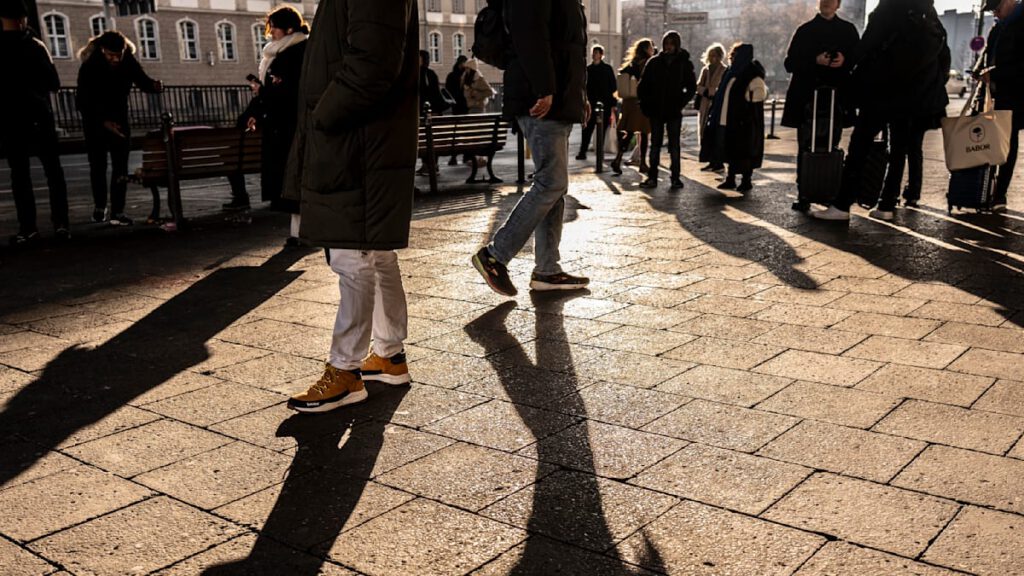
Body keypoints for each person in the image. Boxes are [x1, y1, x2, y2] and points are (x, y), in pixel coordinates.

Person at [283, 0, 418, 412]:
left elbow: (372, 64)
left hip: (355, 140)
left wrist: (323, 116)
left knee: (351, 254)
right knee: (375, 254)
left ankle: (345, 370)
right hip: (365, 138)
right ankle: (389, 356)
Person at [471, 0, 590, 296]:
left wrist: (580, 95)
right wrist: (544, 87)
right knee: (552, 182)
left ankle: (547, 270)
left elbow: (568, 49)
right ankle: (495, 256)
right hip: (541, 98)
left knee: (554, 186)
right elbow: (530, 36)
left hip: (559, 96)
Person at [812, 0, 948, 222]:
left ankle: (842, 205)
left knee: (860, 146)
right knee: (899, 150)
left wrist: (847, 67)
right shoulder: (928, 13)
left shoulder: (889, 7)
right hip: (912, 96)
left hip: (881, 91)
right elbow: (942, 54)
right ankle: (886, 205)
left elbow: (868, 43)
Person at [0, 0, 69, 245]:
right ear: (23, 20)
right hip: (39, 117)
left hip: (10, 121)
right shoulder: (35, 46)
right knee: (53, 173)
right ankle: (61, 224)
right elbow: (54, 83)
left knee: (19, 176)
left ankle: (28, 228)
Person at [76, 31, 162, 227]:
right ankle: (100, 207)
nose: (115, 59)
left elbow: (142, 81)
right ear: (102, 50)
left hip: (120, 120)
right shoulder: (90, 66)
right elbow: (82, 101)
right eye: (110, 55)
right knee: (98, 167)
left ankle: (118, 211)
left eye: (118, 55)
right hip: (95, 123)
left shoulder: (128, 61)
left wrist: (154, 86)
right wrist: (104, 122)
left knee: (120, 168)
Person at [782, 0, 860, 212]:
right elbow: (789, 63)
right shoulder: (805, 30)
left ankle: (827, 189)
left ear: (837, 4)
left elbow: (859, 58)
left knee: (831, 145)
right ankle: (805, 191)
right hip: (808, 99)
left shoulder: (848, 30)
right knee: (805, 146)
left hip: (836, 99)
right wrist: (815, 60)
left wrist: (845, 59)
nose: (826, 3)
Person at [247, 6, 307, 245]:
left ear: (289, 28)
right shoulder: (284, 51)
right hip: (282, 126)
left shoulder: (297, 52)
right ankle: (298, 232)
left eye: (274, 28)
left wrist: (265, 91)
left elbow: (291, 93)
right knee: (291, 181)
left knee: (294, 179)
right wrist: (257, 107)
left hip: (290, 127)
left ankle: (301, 233)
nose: (270, 33)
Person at [875, 42, 949, 218]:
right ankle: (913, 193)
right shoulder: (936, 31)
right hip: (924, 102)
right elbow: (943, 68)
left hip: (900, 99)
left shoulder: (901, 26)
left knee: (897, 150)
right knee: (915, 148)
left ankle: (890, 196)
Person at [637, 30, 696, 190]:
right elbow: (643, 86)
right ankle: (652, 177)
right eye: (666, 43)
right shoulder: (654, 62)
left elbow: (691, 87)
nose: (668, 47)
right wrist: (646, 105)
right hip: (656, 110)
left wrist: (680, 102)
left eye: (672, 43)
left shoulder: (683, 63)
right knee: (655, 145)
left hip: (673, 111)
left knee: (674, 146)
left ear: (677, 45)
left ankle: (675, 178)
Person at [981, 0, 1024, 213]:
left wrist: (994, 73)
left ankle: (999, 195)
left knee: (1008, 143)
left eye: (997, 8)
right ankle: (994, 193)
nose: (996, 13)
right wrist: (982, 69)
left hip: (1017, 93)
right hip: (1005, 93)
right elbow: (991, 54)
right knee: (1004, 143)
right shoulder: (1001, 26)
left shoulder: (1019, 23)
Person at [708, 43, 768, 193]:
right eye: (732, 54)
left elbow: (759, 95)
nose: (732, 57)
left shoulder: (751, 73)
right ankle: (731, 178)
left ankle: (746, 180)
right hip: (727, 119)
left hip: (744, 122)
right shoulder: (731, 72)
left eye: (735, 55)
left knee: (744, 151)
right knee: (729, 149)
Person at [610, 38, 654, 175]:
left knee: (629, 133)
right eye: (651, 47)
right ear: (646, 49)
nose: (652, 50)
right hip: (641, 102)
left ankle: (617, 159)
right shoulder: (646, 63)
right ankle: (642, 163)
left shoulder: (631, 63)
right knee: (645, 133)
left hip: (628, 102)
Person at [576, 44, 617, 161]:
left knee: (602, 131)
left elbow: (613, 87)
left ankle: (600, 153)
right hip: (591, 104)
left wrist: (613, 104)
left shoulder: (607, 69)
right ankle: (582, 151)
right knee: (587, 130)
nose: (594, 55)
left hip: (605, 105)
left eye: (597, 53)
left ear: (601, 55)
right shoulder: (588, 70)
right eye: (593, 53)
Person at [695, 43, 726, 172]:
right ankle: (710, 160)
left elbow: (723, 88)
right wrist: (705, 91)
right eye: (711, 55)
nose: (713, 58)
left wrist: (712, 91)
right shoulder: (705, 70)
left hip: (717, 105)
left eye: (715, 55)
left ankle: (718, 162)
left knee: (715, 133)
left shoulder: (724, 70)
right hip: (705, 104)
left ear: (720, 56)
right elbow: (698, 86)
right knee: (704, 133)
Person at [445, 55, 470, 165]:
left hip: (456, 107)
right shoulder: (467, 75)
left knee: (455, 132)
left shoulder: (451, 75)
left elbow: (448, 91)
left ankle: (454, 156)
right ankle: (467, 156)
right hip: (465, 107)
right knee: (466, 133)